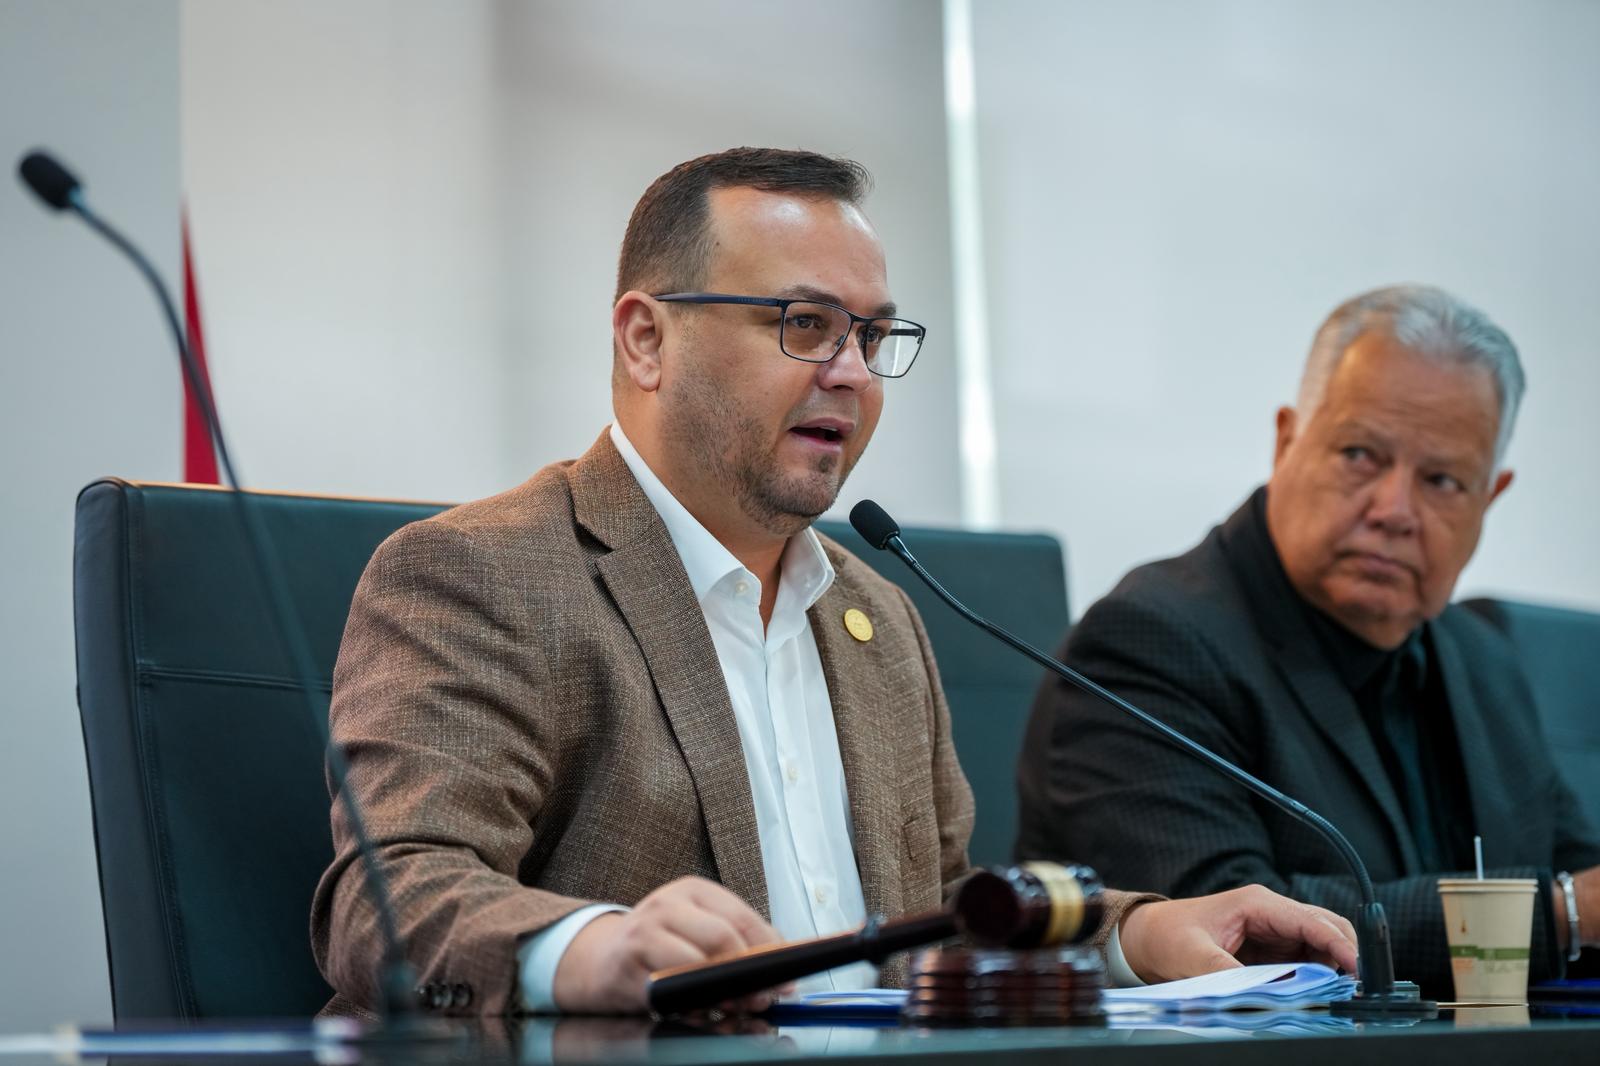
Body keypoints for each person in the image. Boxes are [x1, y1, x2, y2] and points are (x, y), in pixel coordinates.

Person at [311, 148, 1358, 1016]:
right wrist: (595, 950)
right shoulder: (484, 573)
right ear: (645, 338)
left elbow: (935, 912)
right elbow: (388, 895)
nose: (852, 372)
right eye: (804, 325)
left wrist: (1136, 934)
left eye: (870, 335)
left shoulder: (877, 615)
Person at [1016, 284, 1600, 997]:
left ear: (1490, 497)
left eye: (1442, 480)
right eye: (1360, 454)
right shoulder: (1147, 641)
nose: (1394, 511)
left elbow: (1584, 884)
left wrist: (1578, 910)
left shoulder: (1484, 661)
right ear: (1288, 438)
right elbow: (1243, 932)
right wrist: (1562, 915)